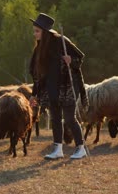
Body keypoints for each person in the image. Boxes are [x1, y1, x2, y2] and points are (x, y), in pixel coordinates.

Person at [28, 13, 89, 160]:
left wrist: (71, 60)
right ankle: (58, 149)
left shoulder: (61, 41)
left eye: (37, 31)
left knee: (69, 118)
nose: (34, 33)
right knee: (55, 118)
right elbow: (36, 74)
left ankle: (81, 148)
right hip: (52, 88)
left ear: (45, 31)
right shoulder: (39, 48)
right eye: (34, 30)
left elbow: (79, 57)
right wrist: (34, 94)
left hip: (68, 86)